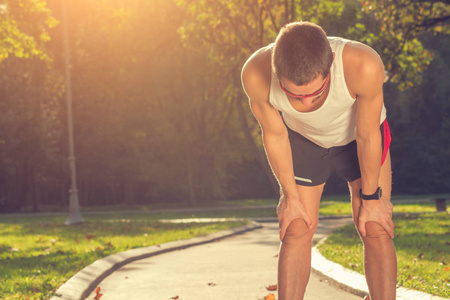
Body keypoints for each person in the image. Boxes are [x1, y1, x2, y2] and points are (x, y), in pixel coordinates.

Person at [241, 21, 397, 300]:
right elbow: (275, 136)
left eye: (316, 92)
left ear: (332, 63)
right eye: (293, 95)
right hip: (302, 140)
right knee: (296, 225)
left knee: (375, 225)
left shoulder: (363, 64)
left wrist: (372, 198)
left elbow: (368, 136)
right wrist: (290, 197)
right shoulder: (256, 73)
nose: (305, 103)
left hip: (359, 137)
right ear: (276, 72)